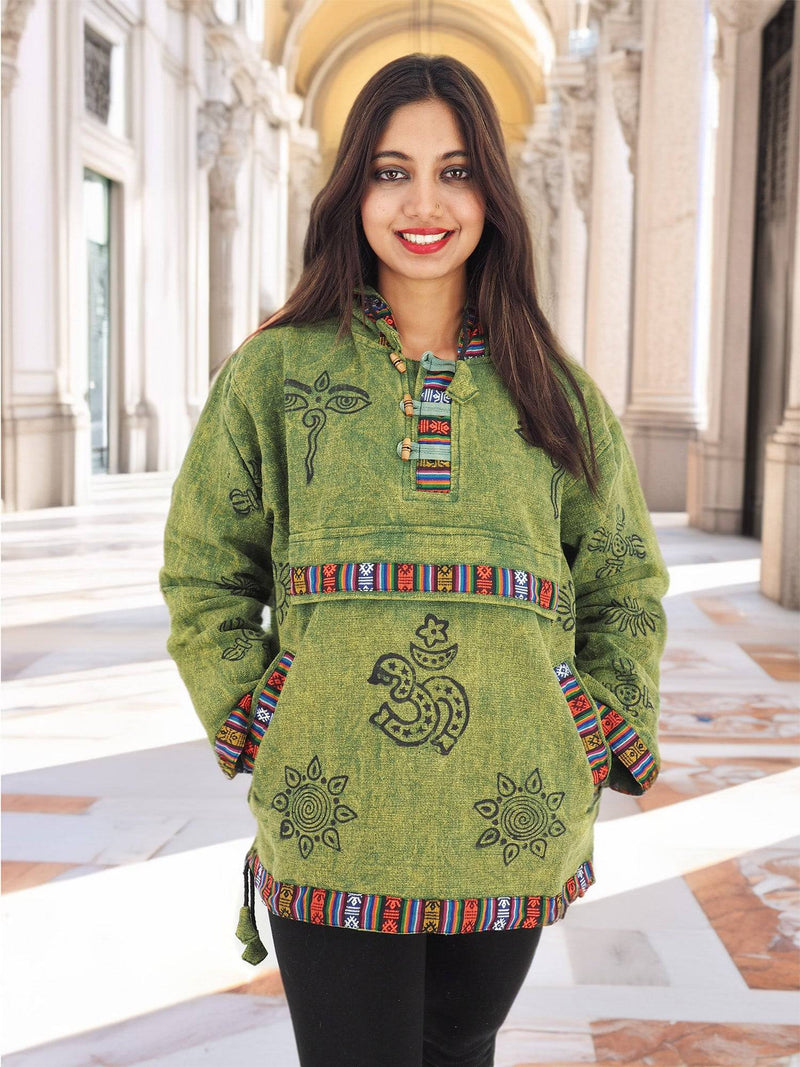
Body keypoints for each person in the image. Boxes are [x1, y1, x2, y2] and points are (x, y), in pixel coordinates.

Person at [160, 53, 669, 1067]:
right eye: (392, 171)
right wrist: (261, 710)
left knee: (457, 1050)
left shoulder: (554, 391)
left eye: (456, 169)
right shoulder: (273, 372)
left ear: (492, 192)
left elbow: (622, 580)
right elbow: (205, 571)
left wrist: (593, 721)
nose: (423, 202)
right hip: (331, 808)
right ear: (352, 188)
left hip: (515, 809)